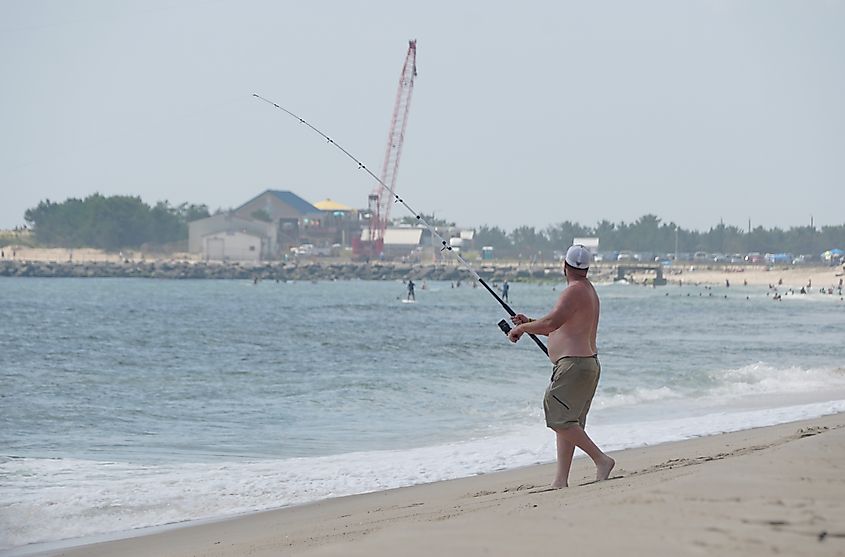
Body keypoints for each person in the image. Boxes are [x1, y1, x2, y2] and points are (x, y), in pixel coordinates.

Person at [507, 245, 614, 488]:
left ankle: (602, 460)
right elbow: (562, 328)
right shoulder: (587, 290)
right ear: (586, 268)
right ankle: (560, 480)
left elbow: (552, 323)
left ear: (564, 266)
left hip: (574, 366)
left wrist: (521, 328)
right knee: (567, 422)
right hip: (585, 365)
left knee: (556, 414)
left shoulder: (573, 292)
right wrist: (530, 322)